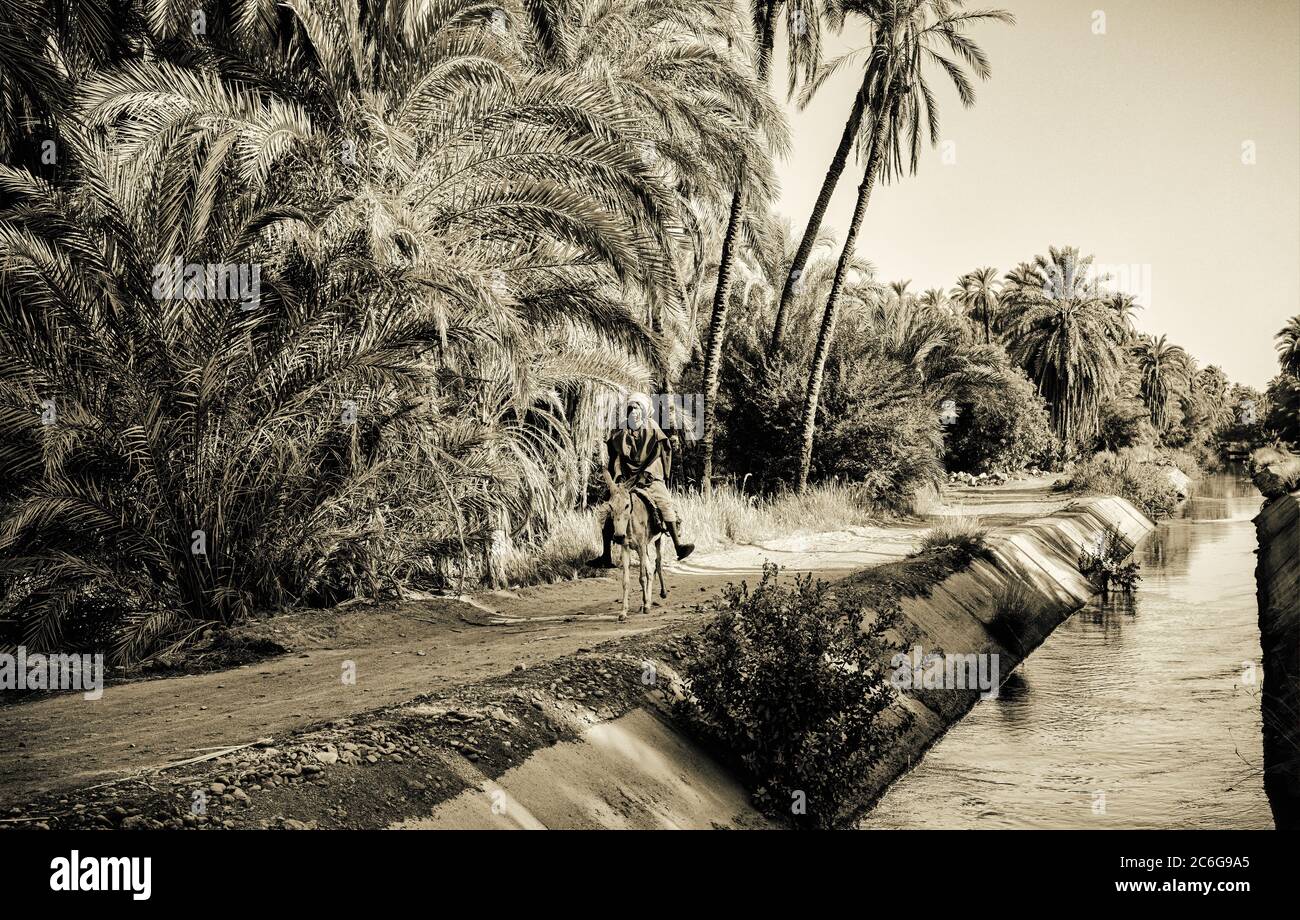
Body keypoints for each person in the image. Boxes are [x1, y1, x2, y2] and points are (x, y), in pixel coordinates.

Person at [587, 393, 694, 567]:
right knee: (610, 508)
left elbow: (660, 454)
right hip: (628, 479)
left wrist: (647, 474)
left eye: (637, 408)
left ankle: (678, 546)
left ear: (643, 411)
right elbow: (615, 456)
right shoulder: (620, 431)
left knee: (665, 503)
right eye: (631, 409)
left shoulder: (652, 428)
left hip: (649, 477)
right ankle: (606, 555)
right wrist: (617, 475)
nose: (633, 412)